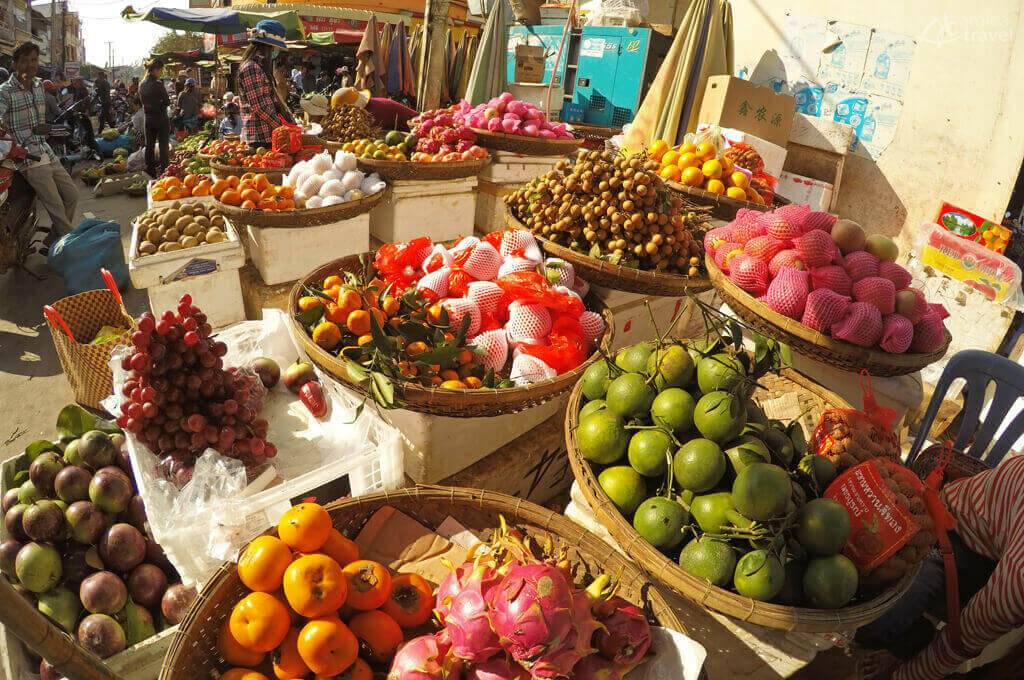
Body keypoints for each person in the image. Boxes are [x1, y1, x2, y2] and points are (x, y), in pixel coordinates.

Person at [856, 455, 1024, 680]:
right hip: (954, 527)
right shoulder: (1019, 581)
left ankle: (908, 644)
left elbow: (967, 638)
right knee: (872, 626)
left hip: (994, 556)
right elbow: (962, 639)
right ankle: (914, 638)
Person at [0, 42, 78, 247]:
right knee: (57, 209)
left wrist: (42, 128)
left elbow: (37, 121)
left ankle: (52, 241)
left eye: (33, 60)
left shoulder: (38, 86)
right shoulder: (4, 92)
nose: (30, 65)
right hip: (27, 158)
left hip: (46, 150)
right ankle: (72, 249)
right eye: (24, 61)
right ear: (15, 64)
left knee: (72, 195)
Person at [237, 20, 295, 148]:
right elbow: (259, 107)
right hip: (260, 138)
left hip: (268, 136)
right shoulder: (251, 68)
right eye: (274, 48)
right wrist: (282, 127)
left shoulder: (259, 66)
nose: (275, 51)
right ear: (267, 47)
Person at [139, 57, 170, 177]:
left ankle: (150, 170)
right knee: (163, 145)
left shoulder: (142, 85)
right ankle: (164, 170)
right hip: (161, 118)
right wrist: (160, 103)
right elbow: (167, 101)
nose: (161, 73)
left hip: (148, 119)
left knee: (149, 146)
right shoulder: (158, 84)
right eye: (160, 70)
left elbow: (142, 101)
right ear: (155, 70)